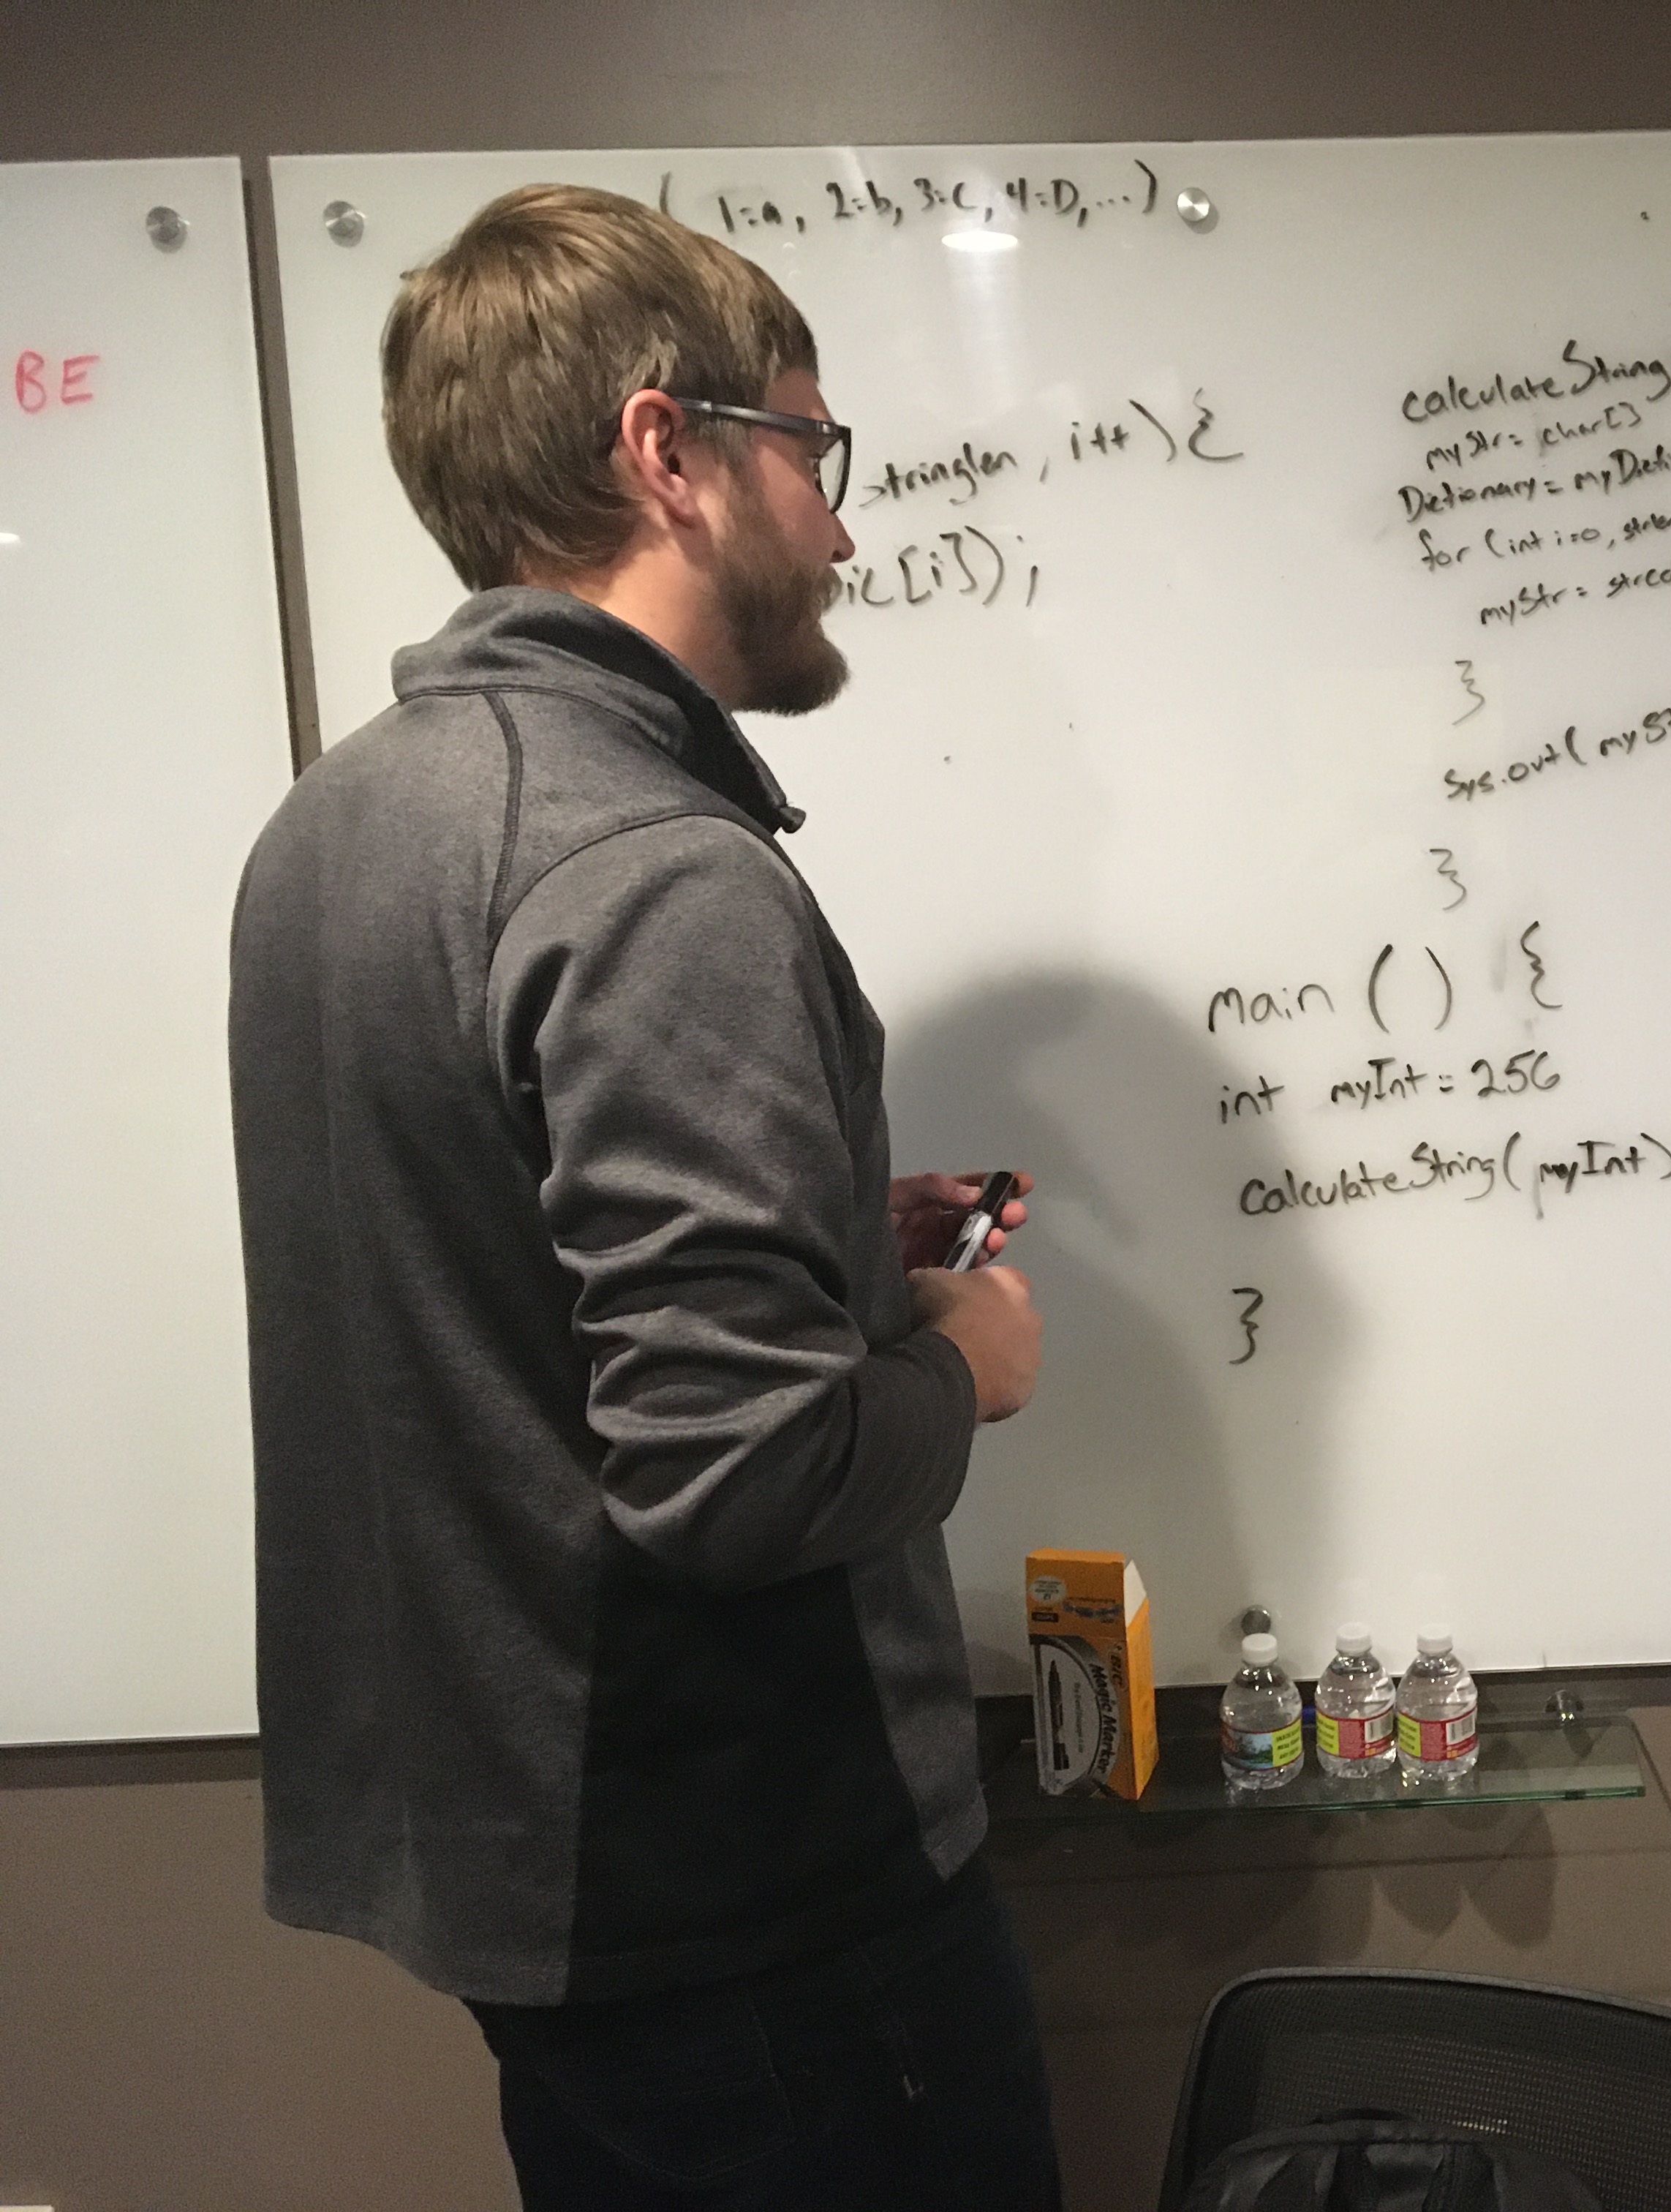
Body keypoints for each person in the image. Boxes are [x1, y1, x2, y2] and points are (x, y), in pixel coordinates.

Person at [227, 184, 1060, 2210]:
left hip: (550, 1887)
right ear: (669, 454)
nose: (844, 527)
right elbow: (738, 1479)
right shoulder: (653, 873)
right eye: (812, 449)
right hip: (754, 1899)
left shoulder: (334, 828)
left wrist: (821, 1253)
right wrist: (966, 1358)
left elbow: (478, 1289)